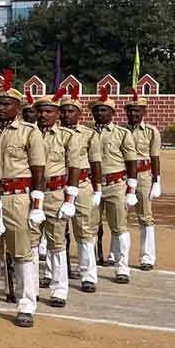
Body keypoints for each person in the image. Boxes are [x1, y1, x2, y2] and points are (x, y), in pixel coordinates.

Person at [0, 72, 46, 329]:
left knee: (22, 253)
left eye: (6, 104)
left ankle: (26, 303)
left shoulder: (28, 132)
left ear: (18, 107)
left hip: (18, 198)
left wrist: (37, 204)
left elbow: (38, 171)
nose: (0, 108)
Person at [91, 88, 140, 284]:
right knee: (90, 227)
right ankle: (91, 266)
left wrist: (131, 188)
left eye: (103, 110)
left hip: (115, 184)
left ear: (113, 113)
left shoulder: (122, 134)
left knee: (119, 227)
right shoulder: (87, 132)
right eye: (96, 110)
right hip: (93, 186)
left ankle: (122, 266)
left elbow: (131, 161)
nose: (99, 114)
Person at [59, 85, 103, 291]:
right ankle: (54, 273)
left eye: (71, 111)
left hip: (83, 185)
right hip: (58, 186)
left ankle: (88, 275)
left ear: (79, 113)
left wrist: (97, 189)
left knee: (84, 231)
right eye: (64, 110)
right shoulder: (52, 132)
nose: (67, 114)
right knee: (57, 231)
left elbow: (95, 163)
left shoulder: (89, 134)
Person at [34, 92, 76, 307]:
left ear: (57, 114)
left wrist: (69, 199)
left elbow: (74, 168)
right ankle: (31, 287)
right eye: (40, 111)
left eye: (49, 111)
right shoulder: (28, 134)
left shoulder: (67, 137)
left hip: (55, 193)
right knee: (31, 243)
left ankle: (59, 288)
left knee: (56, 242)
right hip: (30, 194)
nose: (43, 114)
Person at [124, 92, 162, 270]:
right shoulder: (121, 131)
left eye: (137, 111)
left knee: (146, 216)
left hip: (144, 175)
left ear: (144, 112)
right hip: (123, 176)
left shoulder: (151, 132)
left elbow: (155, 157)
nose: (133, 114)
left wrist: (157, 180)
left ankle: (147, 257)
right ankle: (117, 255)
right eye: (130, 111)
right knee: (119, 215)